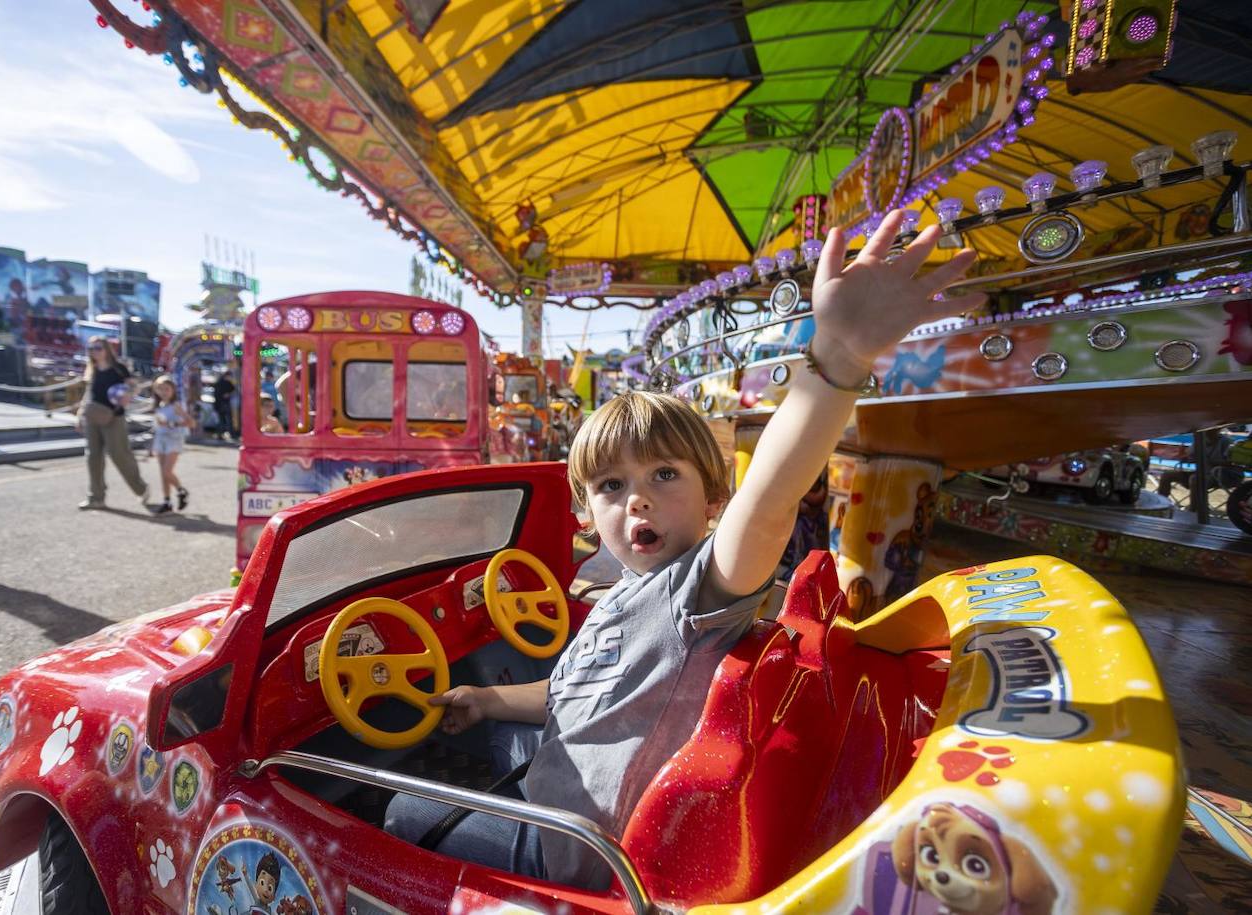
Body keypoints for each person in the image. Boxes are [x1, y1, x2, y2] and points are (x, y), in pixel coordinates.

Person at [383, 209, 986, 888]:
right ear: (587, 515)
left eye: (663, 475)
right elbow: (572, 696)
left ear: (712, 502)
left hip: (573, 847)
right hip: (566, 793)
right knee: (491, 733)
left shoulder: (693, 593)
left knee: (401, 806)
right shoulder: (627, 595)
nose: (636, 498)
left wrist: (837, 361)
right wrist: (489, 701)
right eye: (613, 485)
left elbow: (769, 502)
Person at [76, 336, 150, 510]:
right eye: (91, 348)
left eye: (98, 348)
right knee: (93, 457)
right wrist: (80, 414)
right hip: (93, 416)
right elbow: (88, 394)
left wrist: (128, 395)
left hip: (113, 416)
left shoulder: (119, 368)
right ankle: (96, 497)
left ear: (107, 349)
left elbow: (134, 386)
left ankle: (141, 488)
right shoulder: (92, 369)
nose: (94, 351)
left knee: (119, 454)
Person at [149, 375, 192, 514]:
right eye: (160, 389)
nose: (163, 392)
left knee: (167, 471)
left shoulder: (177, 406)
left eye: (166, 389)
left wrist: (171, 423)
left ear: (173, 390)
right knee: (163, 473)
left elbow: (191, 423)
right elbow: (157, 426)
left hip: (174, 439)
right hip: (160, 439)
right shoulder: (158, 406)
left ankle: (181, 490)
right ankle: (166, 501)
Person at [212, 369, 236, 440]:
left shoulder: (218, 382)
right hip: (224, 404)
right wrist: (227, 394)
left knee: (221, 420)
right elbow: (233, 389)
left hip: (219, 404)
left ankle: (220, 434)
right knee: (227, 420)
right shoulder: (225, 383)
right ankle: (230, 434)